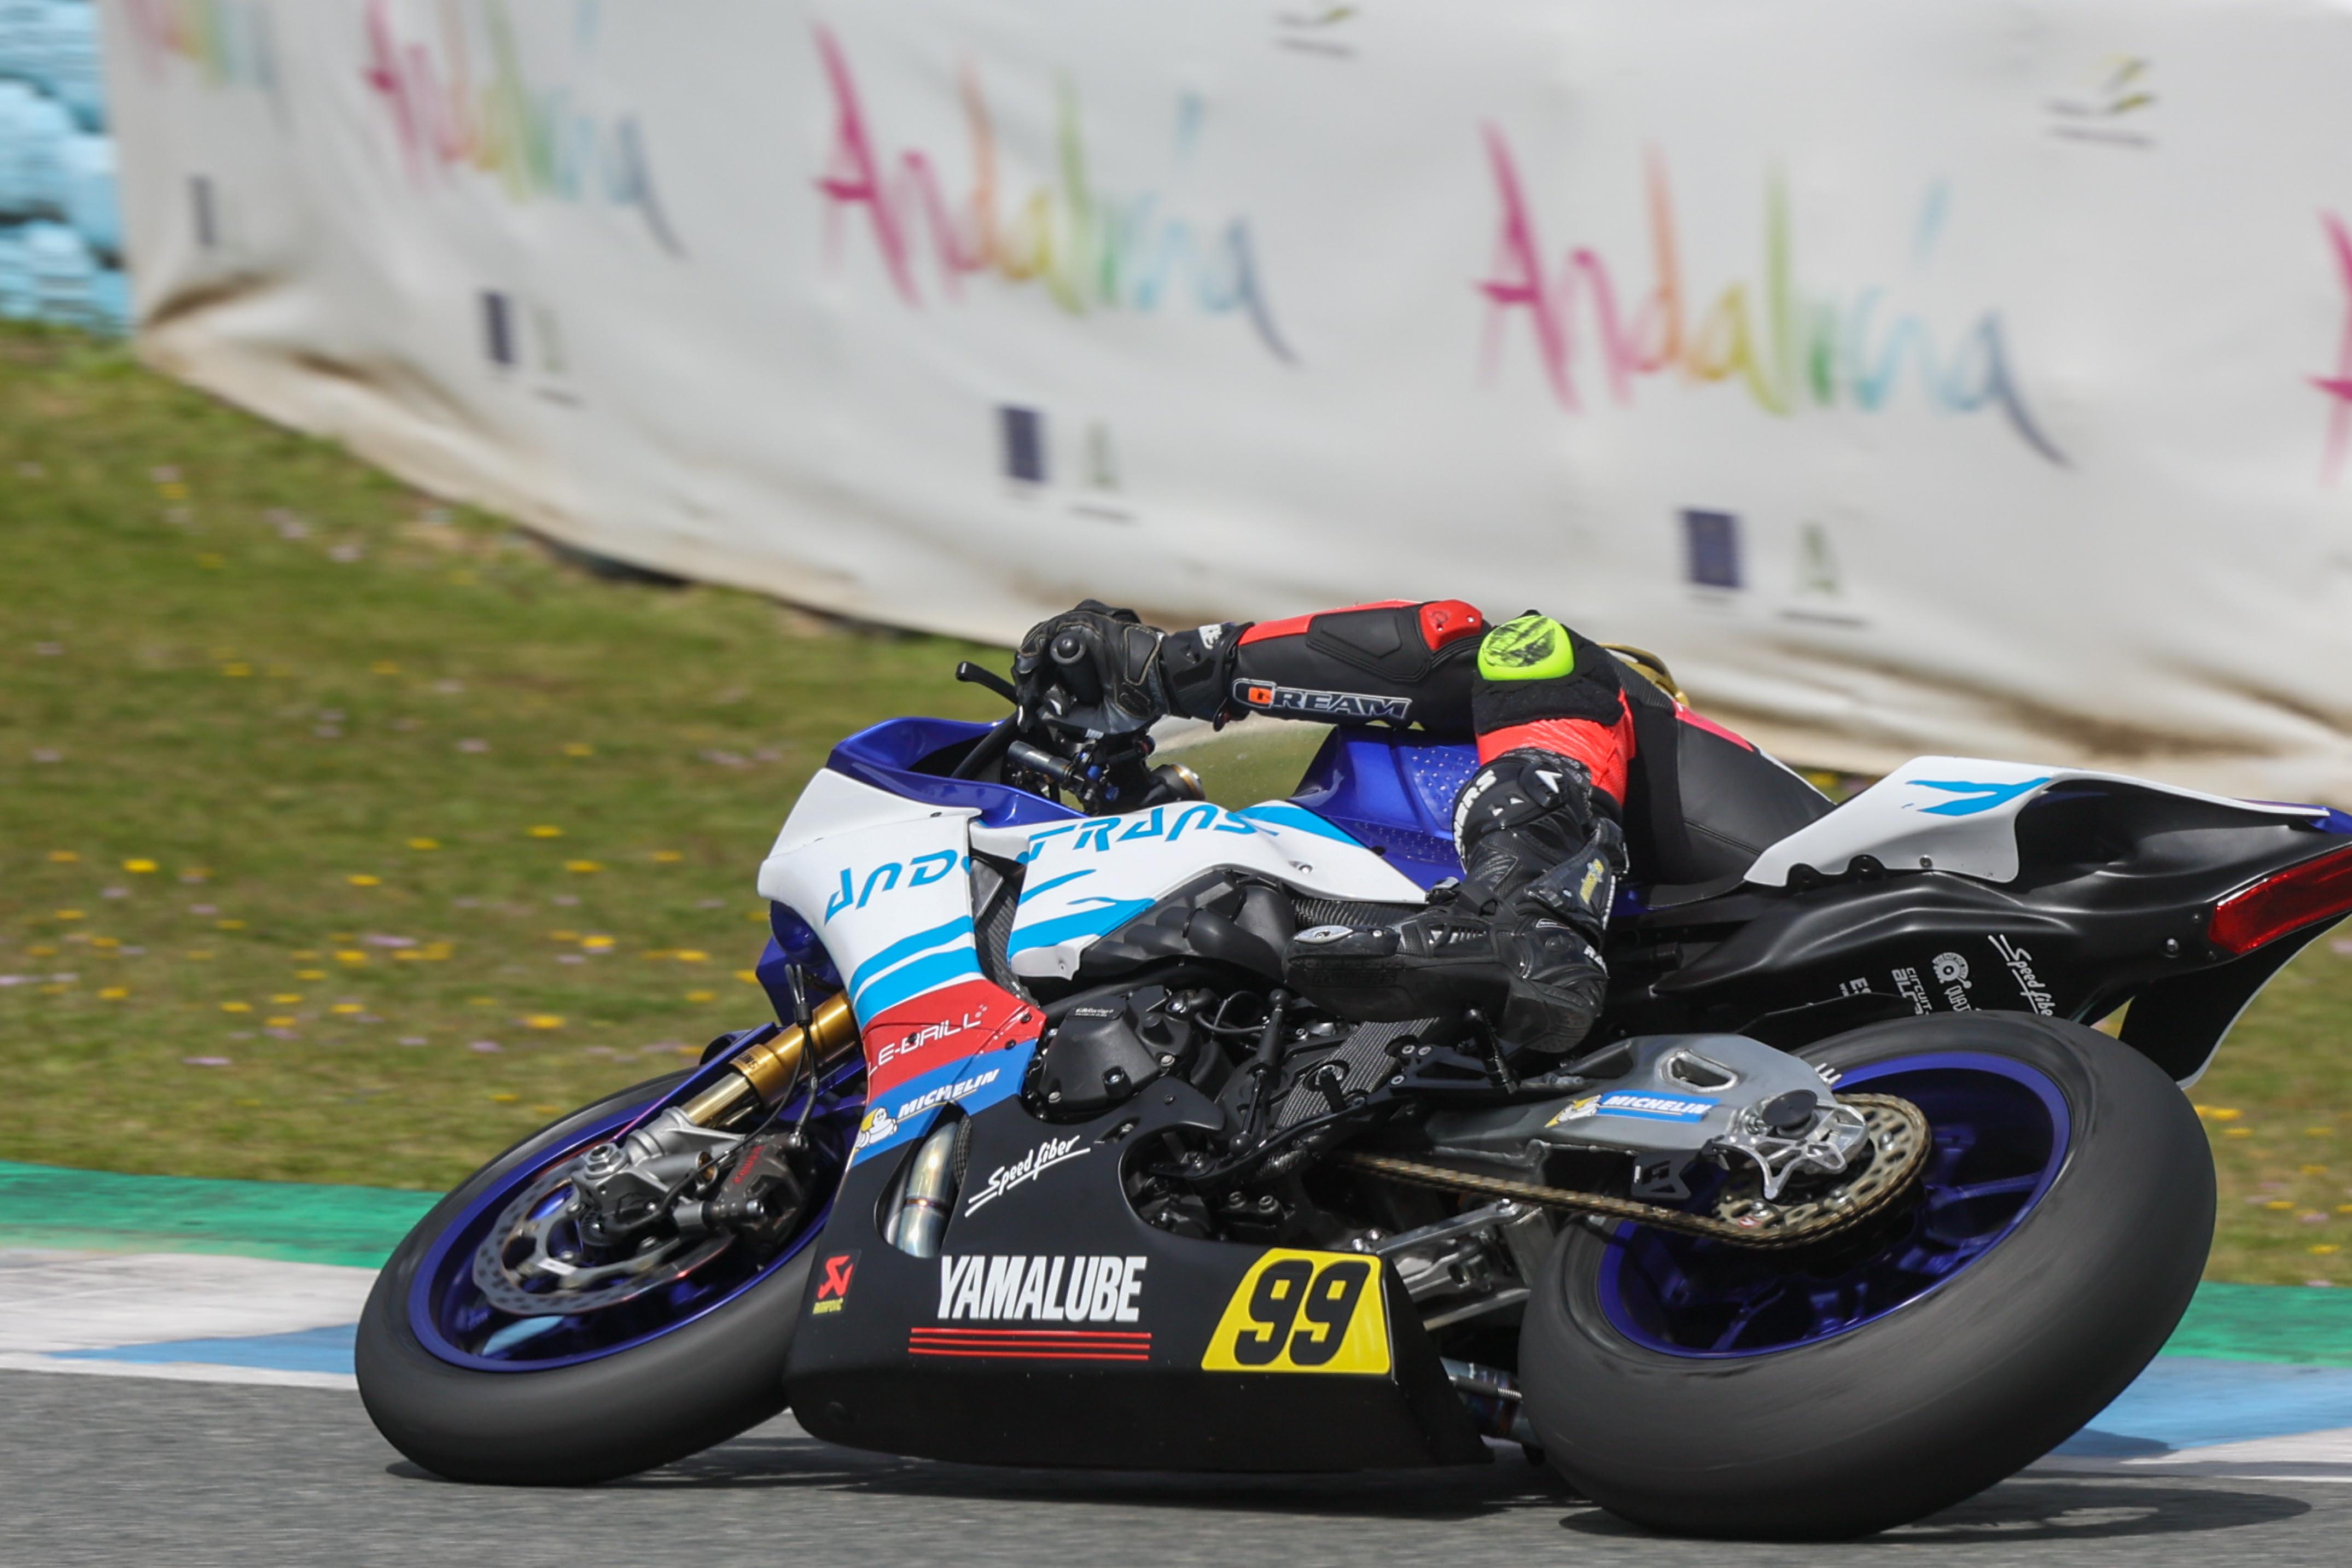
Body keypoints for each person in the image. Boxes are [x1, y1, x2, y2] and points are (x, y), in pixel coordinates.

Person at [1014, 599, 1640, 1057]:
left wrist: (1169, 667)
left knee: (1533, 649)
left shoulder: (1617, 717)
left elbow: (1440, 645)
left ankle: (1539, 927)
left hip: (1688, 866)